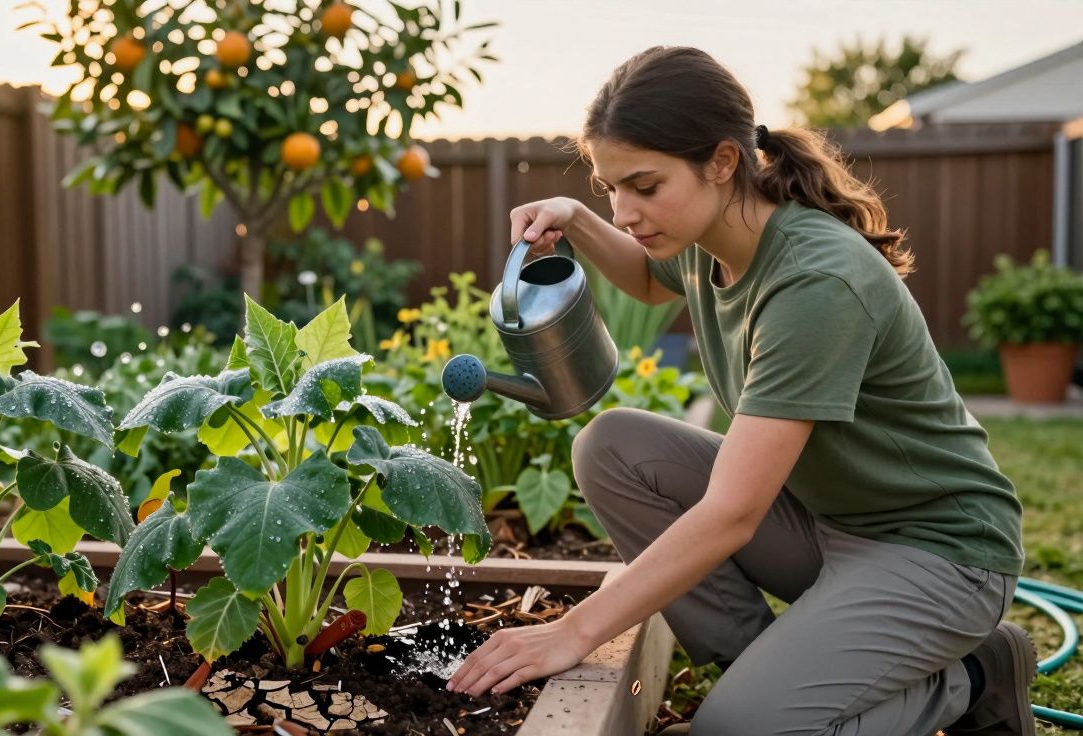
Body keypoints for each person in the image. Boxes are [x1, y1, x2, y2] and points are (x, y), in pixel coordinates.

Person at [444, 46, 1036, 736]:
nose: (627, 211)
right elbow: (641, 277)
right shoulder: (707, 237)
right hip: (830, 525)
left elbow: (732, 514)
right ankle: (768, 676)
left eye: (644, 185)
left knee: (737, 732)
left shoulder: (815, 283)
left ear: (723, 162)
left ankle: (974, 675)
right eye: (611, 188)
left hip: (938, 550)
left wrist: (573, 632)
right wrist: (576, 217)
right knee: (612, 447)